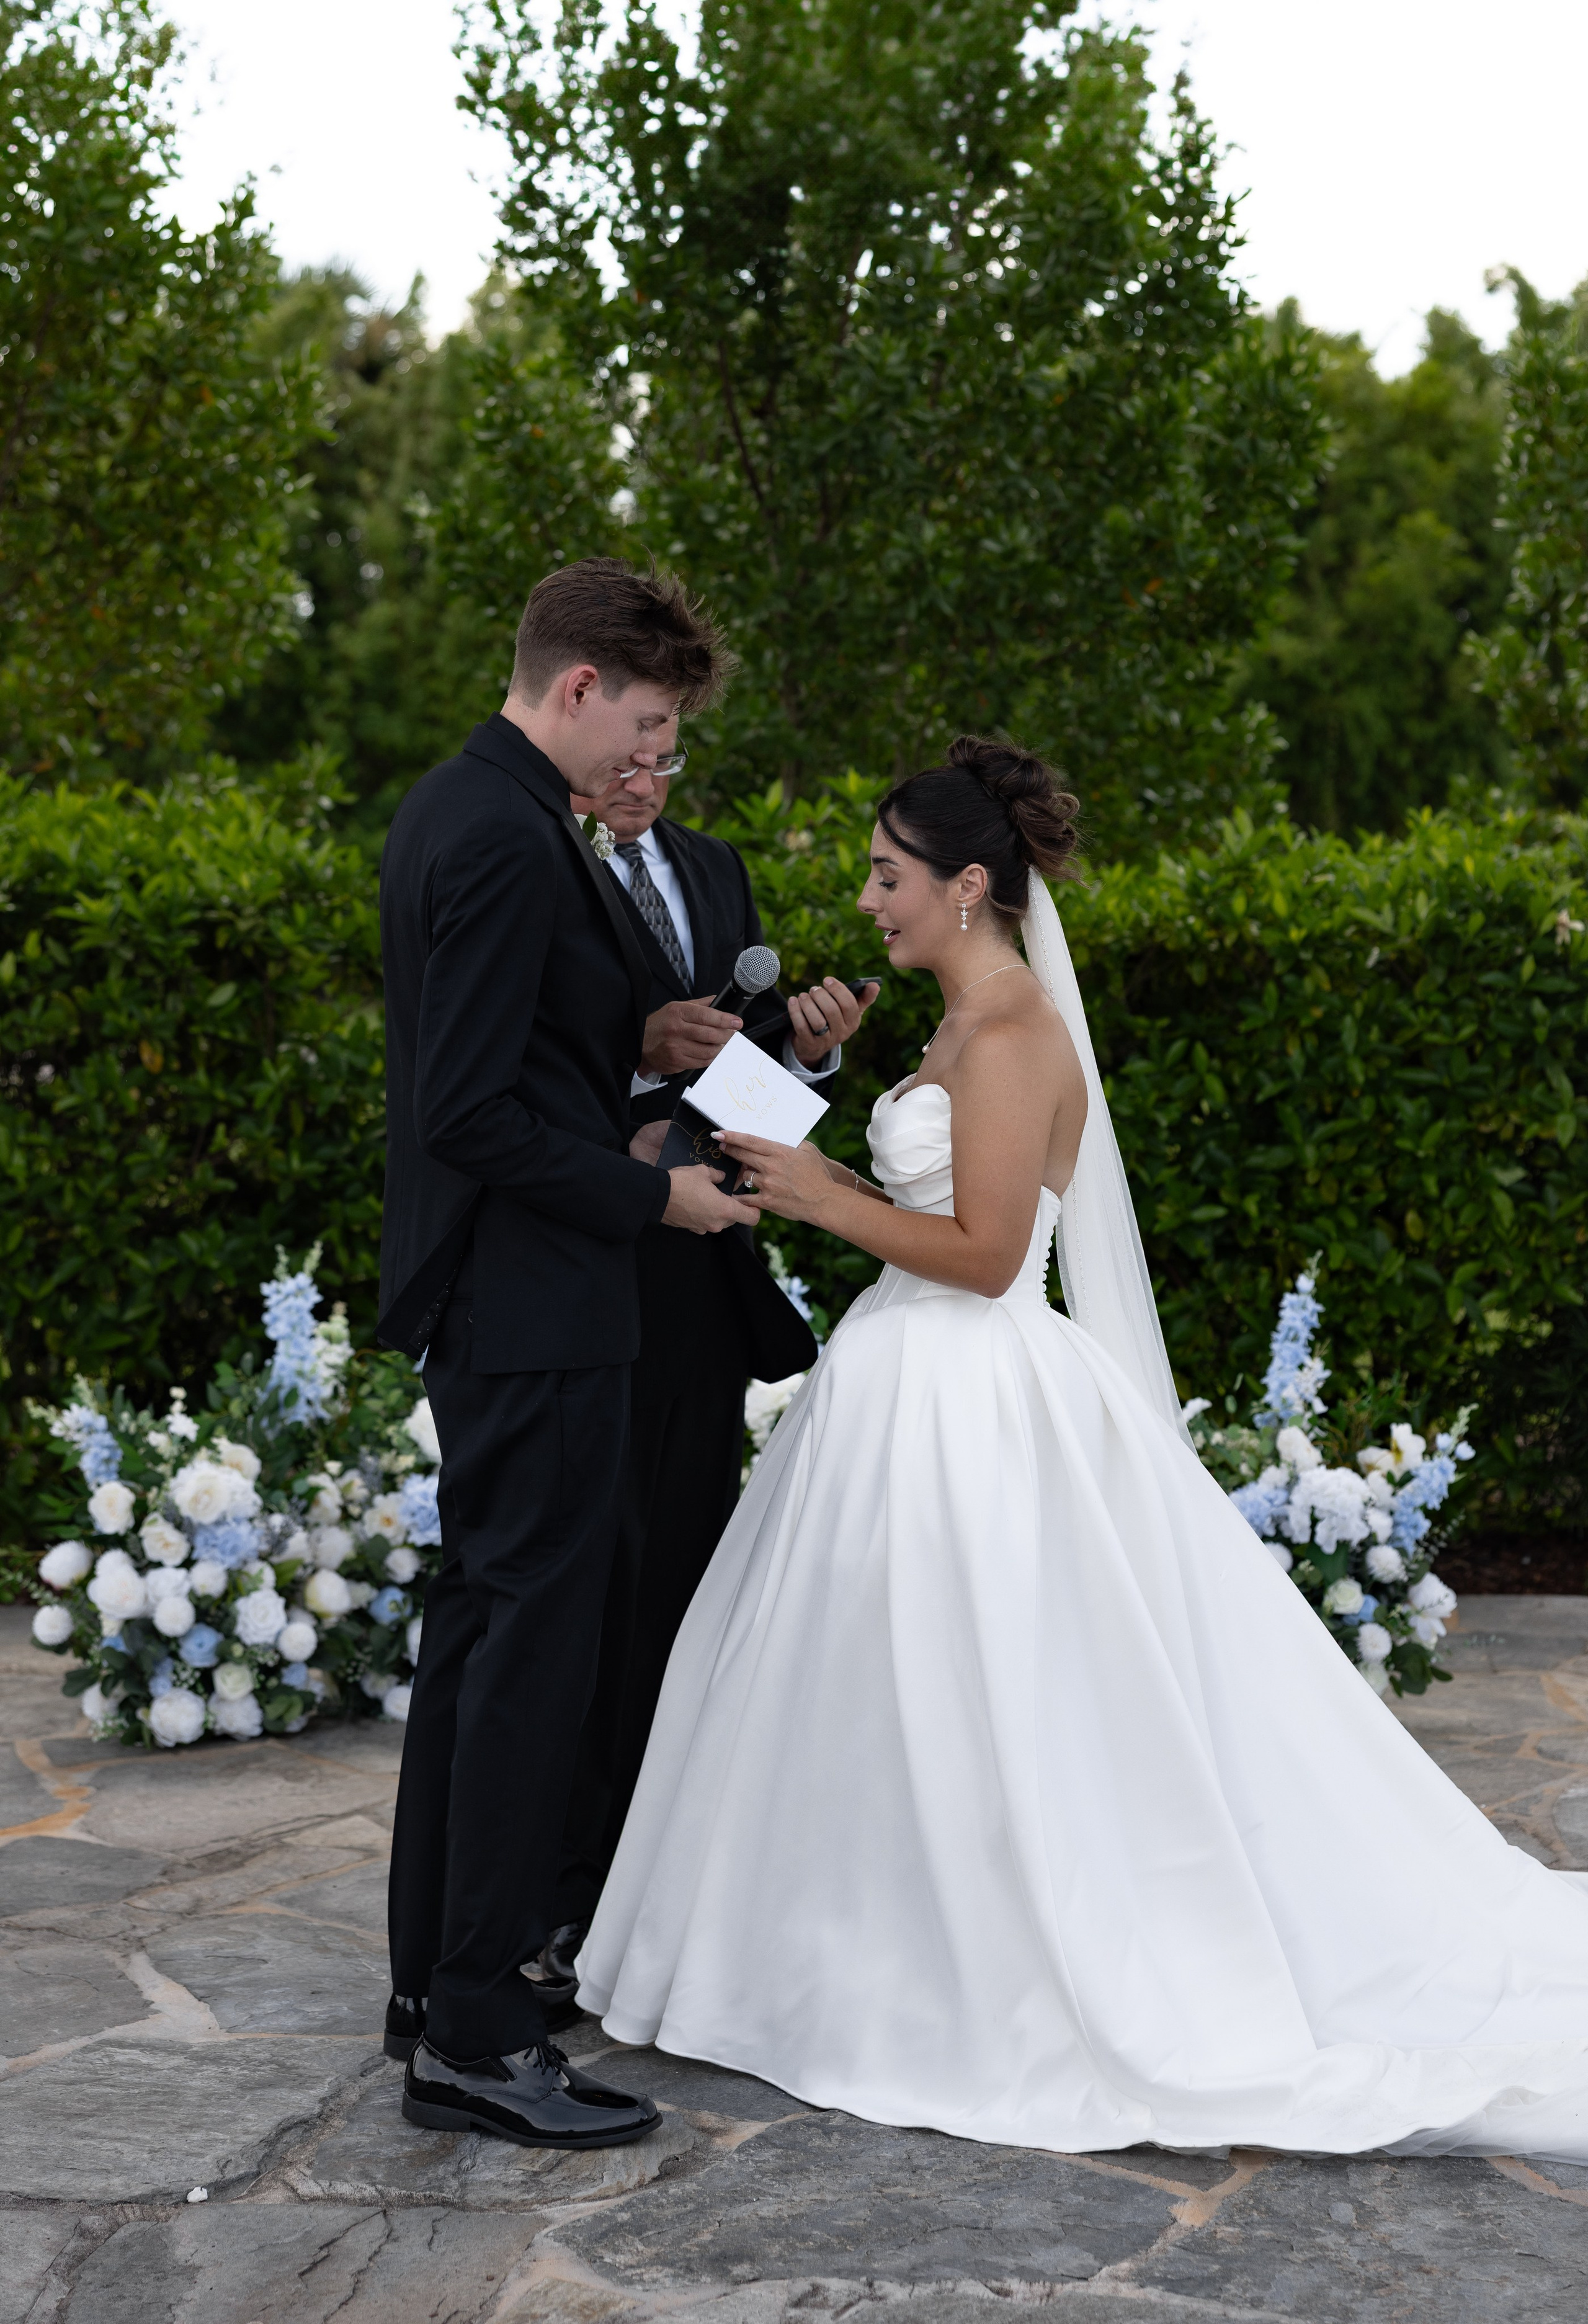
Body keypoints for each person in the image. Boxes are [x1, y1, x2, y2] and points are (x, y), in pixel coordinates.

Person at [575, 735, 1588, 2162]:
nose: (866, 901)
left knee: (983, 1688)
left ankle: (962, 1969)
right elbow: (932, 1213)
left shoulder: (1008, 1031)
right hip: (898, 1377)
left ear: (967, 884)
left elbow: (989, 1256)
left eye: (886, 875)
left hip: (970, 1389)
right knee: (875, 1685)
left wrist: (813, 1197)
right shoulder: (950, 1021)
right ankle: (848, 1946)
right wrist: (812, 1159)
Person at [378, 556, 757, 2152]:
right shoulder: (506, 833)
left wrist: (629, 1046)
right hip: (535, 1307)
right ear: (580, 683)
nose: (647, 762)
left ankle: (432, 1987)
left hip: (519, 1303)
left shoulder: (471, 810)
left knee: (478, 1643)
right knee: (525, 1660)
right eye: (647, 722)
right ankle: (475, 2030)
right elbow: (464, 1113)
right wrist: (648, 1195)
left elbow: (515, 1056)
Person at [530, 768, 879, 2004]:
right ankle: (555, 1889)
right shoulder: (534, 861)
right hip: (575, 1265)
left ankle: (645, 1881)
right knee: (589, 1586)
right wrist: (633, 1065)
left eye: (670, 744)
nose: (646, 774)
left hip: (700, 1284)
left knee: (681, 1588)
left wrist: (807, 1053)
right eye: (635, 740)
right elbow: (519, 1067)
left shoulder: (715, 869)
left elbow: (733, 1095)